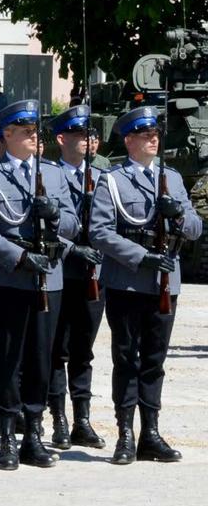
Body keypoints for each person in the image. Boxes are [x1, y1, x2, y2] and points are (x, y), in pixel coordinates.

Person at [90, 106, 203, 465]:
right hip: (127, 280)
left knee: (155, 360)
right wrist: (141, 257)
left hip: (165, 281)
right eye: (145, 134)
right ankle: (125, 434)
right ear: (129, 140)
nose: (153, 139)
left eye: (155, 134)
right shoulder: (113, 180)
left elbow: (196, 229)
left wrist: (180, 215)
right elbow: (100, 232)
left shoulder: (171, 178)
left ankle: (150, 434)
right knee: (126, 357)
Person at [0, 99, 79, 470]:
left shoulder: (54, 174)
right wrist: (17, 258)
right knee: (7, 357)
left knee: (40, 358)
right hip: (9, 278)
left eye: (35, 129)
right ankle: (6, 434)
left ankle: (34, 433)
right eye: (25, 130)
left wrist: (56, 216)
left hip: (48, 278)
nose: (33, 135)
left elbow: (74, 227)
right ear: (8, 134)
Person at [46, 104, 107, 450]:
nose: (88, 140)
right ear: (62, 138)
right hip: (62, 271)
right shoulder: (51, 175)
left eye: (91, 134)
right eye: (80, 134)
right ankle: (59, 419)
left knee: (84, 349)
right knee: (59, 349)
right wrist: (71, 248)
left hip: (94, 274)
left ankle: (82, 419)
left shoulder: (102, 178)